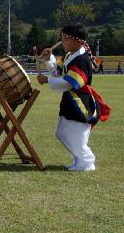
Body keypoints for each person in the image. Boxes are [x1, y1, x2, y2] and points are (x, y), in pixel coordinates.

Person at [36, 24, 109, 171]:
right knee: (62, 132)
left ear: (78, 41)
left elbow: (70, 83)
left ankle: (87, 162)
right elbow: (57, 71)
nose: (62, 42)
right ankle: (79, 160)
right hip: (71, 101)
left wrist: (47, 80)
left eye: (65, 39)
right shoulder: (69, 56)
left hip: (81, 102)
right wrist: (49, 57)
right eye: (62, 38)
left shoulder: (82, 59)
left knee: (76, 134)